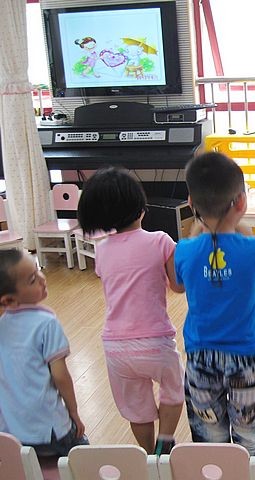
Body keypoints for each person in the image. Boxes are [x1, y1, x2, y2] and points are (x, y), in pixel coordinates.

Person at [77, 167, 185, 455]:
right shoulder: (161, 241)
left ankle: (148, 454)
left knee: (137, 408)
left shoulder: (101, 250)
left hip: (116, 347)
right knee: (174, 389)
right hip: (155, 341)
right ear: (140, 207)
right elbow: (178, 287)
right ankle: (165, 440)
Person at [175, 152, 255, 458]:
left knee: (209, 432)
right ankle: (250, 471)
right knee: (249, 430)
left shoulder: (184, 251)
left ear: (191, 203)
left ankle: (215, 470)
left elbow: (179, 284)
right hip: (246, 355)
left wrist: (200, 230)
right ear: (241, 202)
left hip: (200, 355)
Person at [0, 249, 89, 456]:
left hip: (12, 434)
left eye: (38, 269)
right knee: (81, 453)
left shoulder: (2, 324)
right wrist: (73, 412)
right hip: (50, 430)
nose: (42, 278)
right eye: (32, 279)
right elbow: (60, 376)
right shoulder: (46, 323)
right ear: (9, 300)